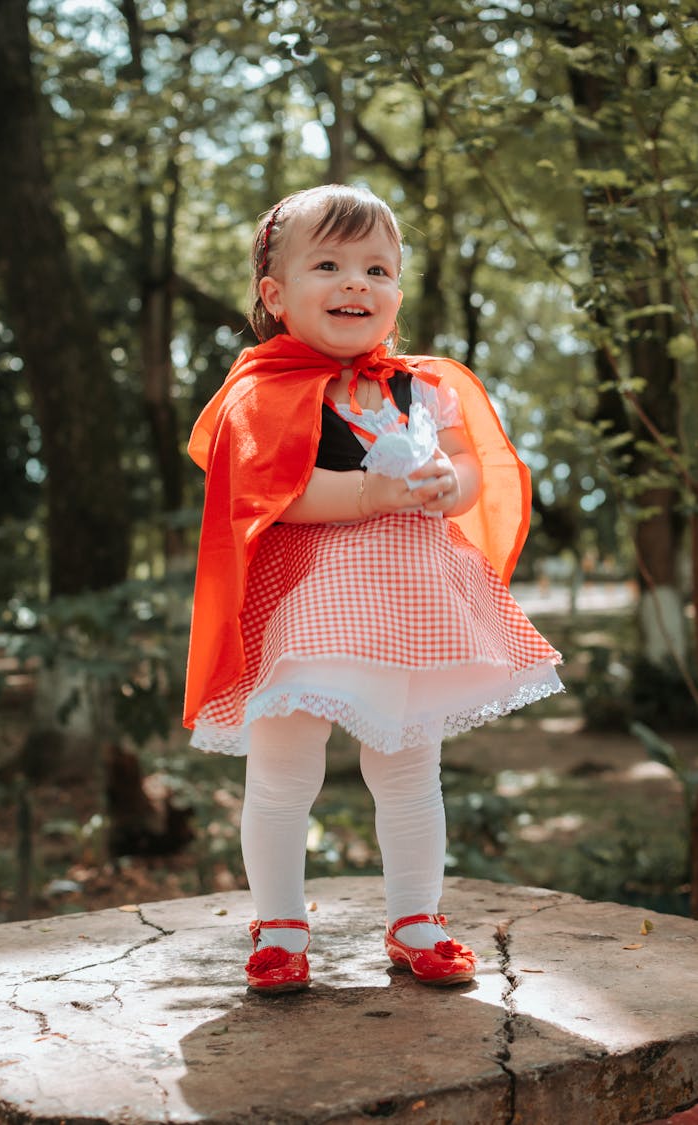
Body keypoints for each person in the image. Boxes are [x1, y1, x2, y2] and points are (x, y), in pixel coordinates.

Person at [183, 183, 562, 993]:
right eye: (329, 264)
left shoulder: (422, 385)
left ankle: (416, 919)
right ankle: (279, 927)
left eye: (377, 268)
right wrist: (368, 495)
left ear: (397, 289)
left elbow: (465, 463)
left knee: (407, 765)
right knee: (286, 769)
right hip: (306, 598)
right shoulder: (263, 390)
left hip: (406, 600)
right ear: (275, 294)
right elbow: (274, 495)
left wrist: (444, 487)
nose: (357, 282)